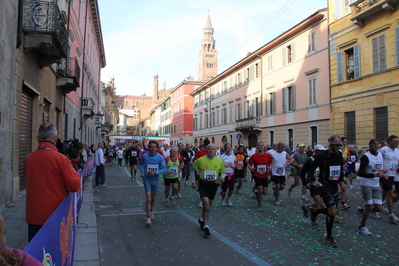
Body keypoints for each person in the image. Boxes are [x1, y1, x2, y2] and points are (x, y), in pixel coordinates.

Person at [24, 123, 81, 241]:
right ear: (56, 138)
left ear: (38, 138)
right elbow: (74, 185)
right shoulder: (61, 159)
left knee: (35, 253)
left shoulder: (28, 159)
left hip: (34, 214)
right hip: (55, 215)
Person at [307, 135, 345, 248]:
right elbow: (310, 169)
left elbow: (340, 168)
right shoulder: (322, 155)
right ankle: (329, 236)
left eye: (340, 145)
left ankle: (316, 211)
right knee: (332, 210)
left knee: (332, 211)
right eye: (337, 145)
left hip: (334, 185)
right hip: (325, 185)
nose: (339, 147)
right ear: (331, 144)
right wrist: (315, 181)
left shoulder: (339, 155)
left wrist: (343, 179)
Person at [193, 144, 225, 237]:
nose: (211, 151)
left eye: (213, 149)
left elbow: (223, 172)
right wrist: (193, 182)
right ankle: (206, 227)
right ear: (206, 150)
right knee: (206, 205)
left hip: (214, 184)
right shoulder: (200, 160)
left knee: (208, 206)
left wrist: (222, 178)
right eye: (209, 149)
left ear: (216, 151)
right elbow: (193, 169)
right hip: (203, 184)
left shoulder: (219, 161)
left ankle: (202, 219)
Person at [357, 139, 387, 235]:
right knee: (369, 207)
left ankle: (363, 211)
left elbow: (378, 169)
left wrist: (383, 173)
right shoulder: (366, 157)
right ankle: (362, 226)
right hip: (366, 184)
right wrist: (374, 175)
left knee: (378, 208)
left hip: (376, 184)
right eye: (374, 144)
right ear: (369, 145)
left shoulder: (380, 155)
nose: (376, 145)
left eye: (377, 144)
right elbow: (361, 173)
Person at [139, 141, 167, 226]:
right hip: (147, 178)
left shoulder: (160, 157)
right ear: (148, 147)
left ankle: (150, 210)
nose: (153, 149)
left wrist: (156, 173)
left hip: (155, 179)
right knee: (148, 198)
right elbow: (140, 165)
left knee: (153, 198)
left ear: (157, 148)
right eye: (151, 147)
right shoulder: (145, 156)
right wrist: (142, 172)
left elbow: (165, 168)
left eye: (155, 147)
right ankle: (148, 217)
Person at [300, 144, 326, 230]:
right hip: (312, 184)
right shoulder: (310, 160)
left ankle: (308, 207)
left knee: (321, 204)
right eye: (320, 152)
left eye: (323, 152)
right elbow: (303, 173)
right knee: (318, 203)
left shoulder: (324, 160)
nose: (321, 153)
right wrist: (305, 182)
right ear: (315, 151)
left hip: (321, 183)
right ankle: (314, 222)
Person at [378, 135, 399, 224]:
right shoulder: (383, 150)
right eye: (395, 141)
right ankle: (391, 214)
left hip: (394, 174)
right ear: (389, 141)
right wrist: (381, 172)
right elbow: (378, 161)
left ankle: (376, 207)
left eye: (398, 141)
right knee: (390, 193)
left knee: (385, 194)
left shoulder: (397, 151)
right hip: (385, 175)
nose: (397, 143)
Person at [247, 141, 273, 212]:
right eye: (260, 145)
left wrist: (270, 167)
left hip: (265, 175)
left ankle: (256, 193)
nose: (261, 147)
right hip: (257, 174)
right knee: (260, 190)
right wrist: (251, 168)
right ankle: (259, 204)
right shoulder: (254, 156)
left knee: (265, 192)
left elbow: (270, 163)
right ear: (257, 147)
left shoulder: (267, 155)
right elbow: (249, 163)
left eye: (262, 145)